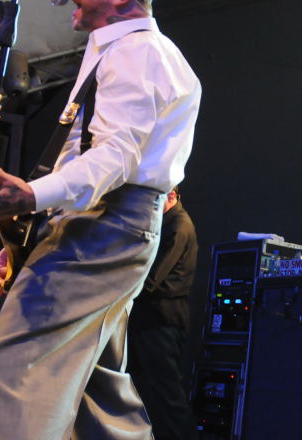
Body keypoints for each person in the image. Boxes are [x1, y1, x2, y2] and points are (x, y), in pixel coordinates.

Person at [0, 0, 201, 439]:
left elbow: (115, 156)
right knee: (99, 392)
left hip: (108, 222)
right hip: (107, 224)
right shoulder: (115, 50)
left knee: (13, 369)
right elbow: (81, 152)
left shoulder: (137, 53)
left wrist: (32, 195)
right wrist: (32, 229)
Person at [127, 186, 199, 440]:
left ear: (171, 196)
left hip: (161, 322)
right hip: (152, 320)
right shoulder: (168, 223)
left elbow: (152, 280)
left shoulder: (178, 226)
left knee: (167, 396)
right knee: (148, 392)